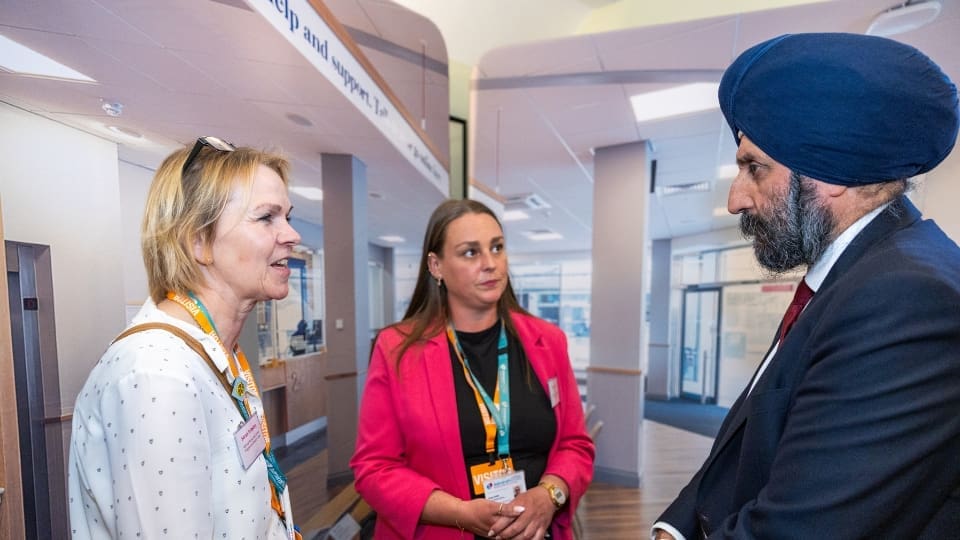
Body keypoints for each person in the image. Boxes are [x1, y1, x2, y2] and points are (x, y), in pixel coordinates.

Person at [653, 33, 960, 539]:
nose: (735, 199)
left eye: (755, 168)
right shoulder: (857, 275)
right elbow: (748, 442)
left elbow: (803, 527)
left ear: (830, 172)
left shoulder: (905, 297)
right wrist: (675, 529)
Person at [68, 136, 302, 539]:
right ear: (199, 241)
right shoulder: (156, 374)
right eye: (267, 218)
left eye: (287, 216)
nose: (292, 235)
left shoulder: (213, 356)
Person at [351, 199, 595, 539]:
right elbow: (374, 469)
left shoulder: (547, 342)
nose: (490, 263)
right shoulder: (397, 349)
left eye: (497, 248)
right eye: (470, 252)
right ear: (436, 266)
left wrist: (549, 495)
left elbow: (575, 445)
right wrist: (460, 513)